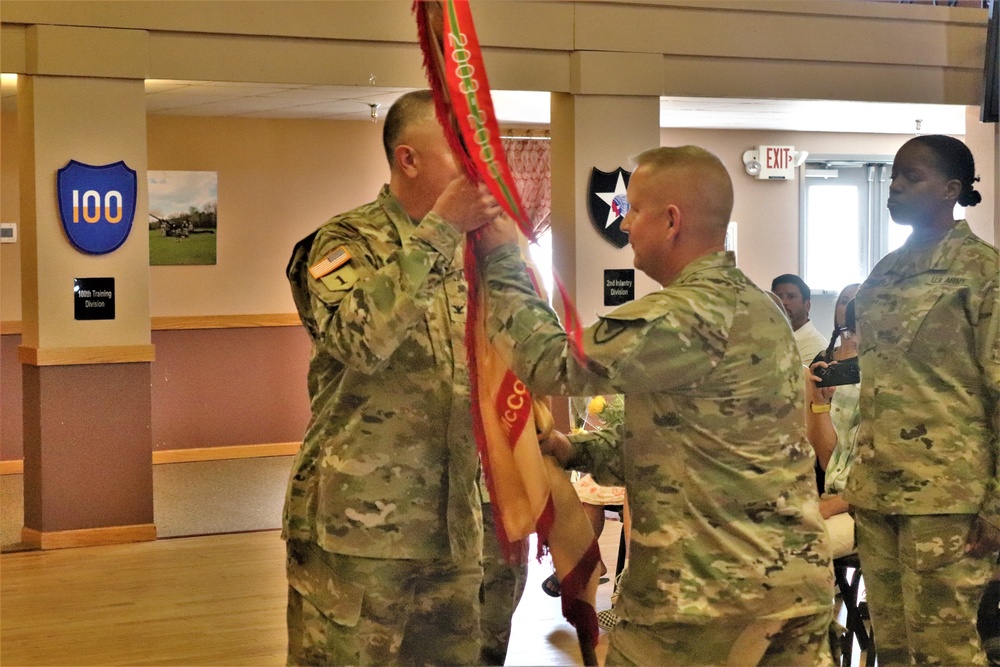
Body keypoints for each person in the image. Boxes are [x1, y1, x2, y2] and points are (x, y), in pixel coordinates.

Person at [476, 146, 834, 666]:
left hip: (703, 603)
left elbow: (549, 363)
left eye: (633, 211)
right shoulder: (761, 306)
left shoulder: (683, 314)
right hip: (788, 585)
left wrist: (505, 258)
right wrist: (570, 447)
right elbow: (686, 444)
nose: (624, 227)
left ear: (671, 221)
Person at [282, 89, 504, 665]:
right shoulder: (342, 245)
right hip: (361, 529)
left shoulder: (480, 253)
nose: (476, 166)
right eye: (459, 150)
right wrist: (437, 232)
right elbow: (361, 341)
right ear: (408, 159)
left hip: (458, 523)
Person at [843, 134, 1000, 666]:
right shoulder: (884, 270)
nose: (896, 188)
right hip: (878, 486)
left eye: (913, 177)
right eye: (894, 177)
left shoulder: (982, 271)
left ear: (952, 189)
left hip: (948, 496)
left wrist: (997, 506)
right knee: (891, 647)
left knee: (945, 650)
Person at [804, 295, 860, 559]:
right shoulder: (849, 390)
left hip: (870, 511)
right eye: (851, 333)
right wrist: (819, 402)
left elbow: (894, 472)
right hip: (836, 498)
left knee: (798, 549)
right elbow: (829, 463)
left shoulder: (905, 389)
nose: (853, 343)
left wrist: (831, 506)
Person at [772, 274, 828, 365]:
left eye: (791, 296)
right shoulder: (771, 337)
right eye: (778, 297)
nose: (783, 302)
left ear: (807, 305)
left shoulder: (815, 346)